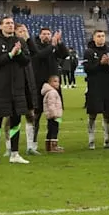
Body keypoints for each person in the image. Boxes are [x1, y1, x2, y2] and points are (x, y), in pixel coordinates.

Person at [0, 17, 35, 165]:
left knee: (16, 121)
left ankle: (15, 154)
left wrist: (19, 53)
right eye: (7, 23)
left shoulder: (20, 42)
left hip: (17, 88)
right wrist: (10, 54)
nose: (10, 25)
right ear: (0, 26)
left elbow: (27, 61)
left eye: (12, 23)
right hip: (0, 89)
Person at [27, 28, 69, 156]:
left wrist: (60, 43)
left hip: (54, 85)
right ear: (39, 35)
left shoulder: (54, 46)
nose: (46, 36)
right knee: (37, 115)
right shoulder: (35, 46)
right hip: (39, 85)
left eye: (48, 34)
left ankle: (52, 143)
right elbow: (40, 55)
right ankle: (32, 144)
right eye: (44, 34)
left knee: (55, 115)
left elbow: (65, 54)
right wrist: (53, 45)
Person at [82, 30, 109, 150]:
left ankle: (107, 140)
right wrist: (100, 63)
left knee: (107, 114)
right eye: (98, 36)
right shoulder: (89, 52)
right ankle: (91, 141)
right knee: (92, 114)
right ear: (94, 38)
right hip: (94, 87)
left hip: (108, 86)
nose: (101, 38)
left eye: (103, 36)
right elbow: (87, 69)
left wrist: (108, 64)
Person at [41, 74, 64, 153]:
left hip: (50, 115)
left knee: (50, 130)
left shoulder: (50, 92)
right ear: (50, 83)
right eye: (55, 81)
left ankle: (48, 146)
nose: (57, 83)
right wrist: (55, 115)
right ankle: (54, 146)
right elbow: (51, 104)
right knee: (54, 130)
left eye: (58, 82)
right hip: (54, 115)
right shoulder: (52, 92)